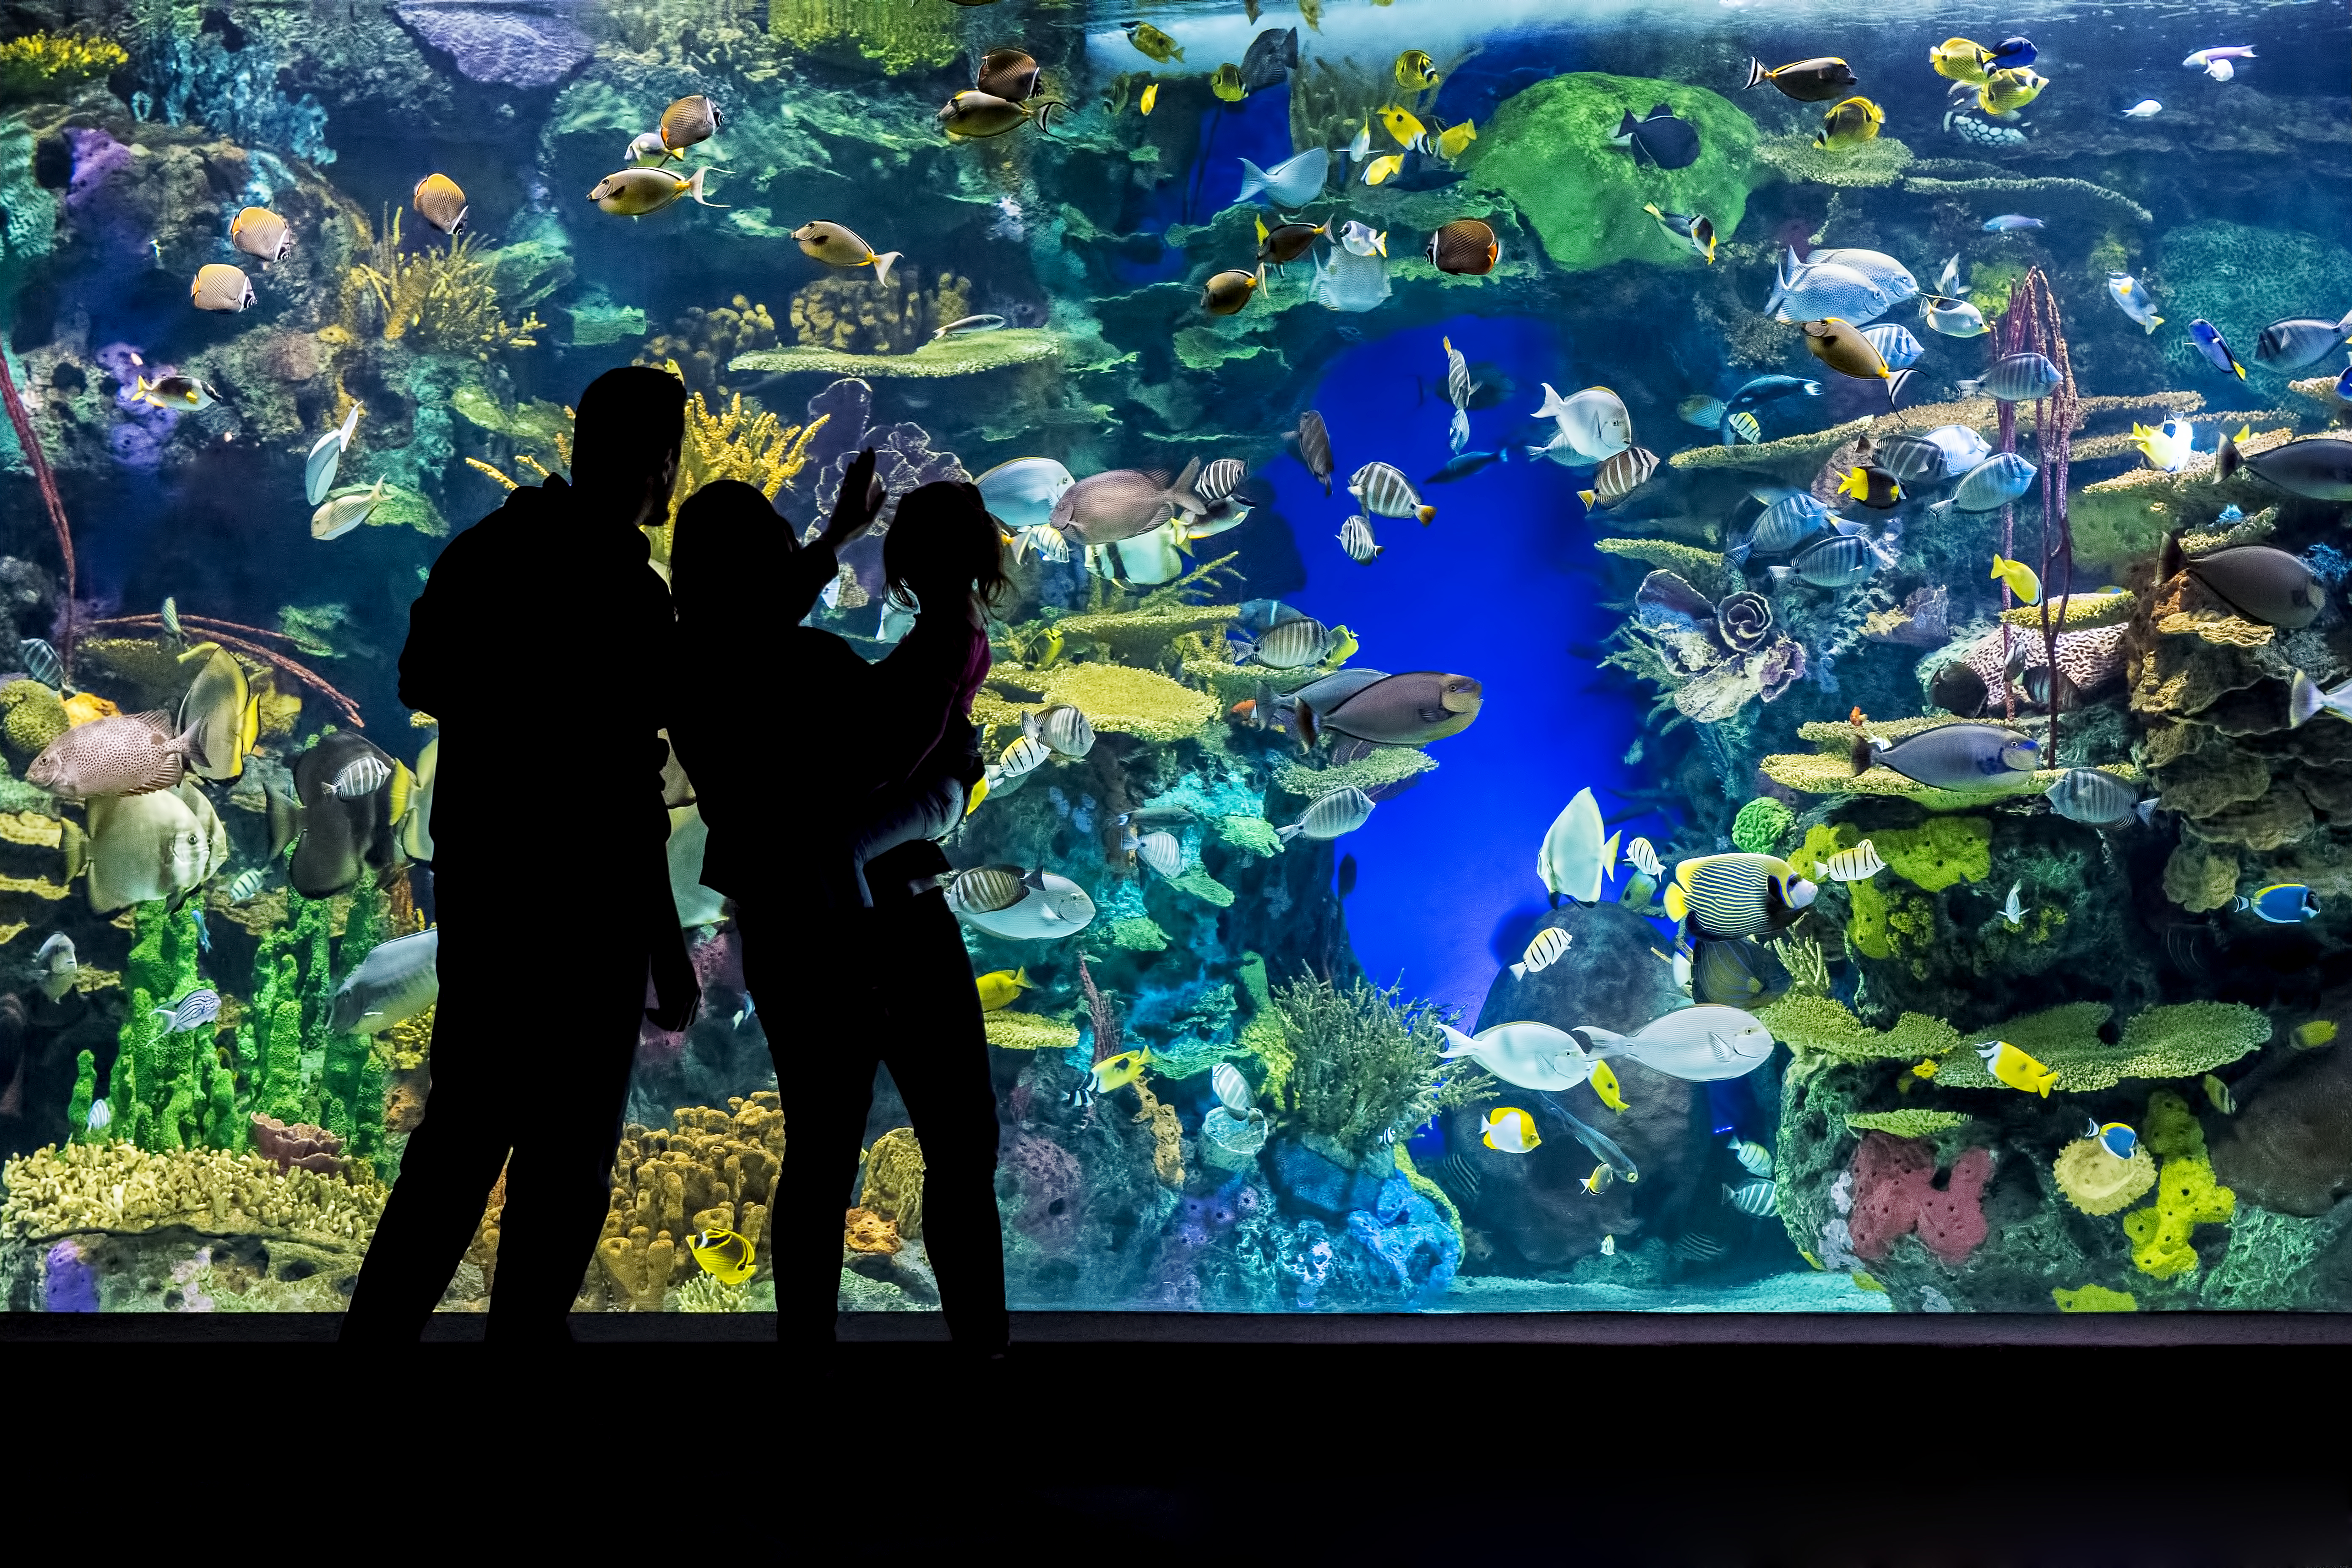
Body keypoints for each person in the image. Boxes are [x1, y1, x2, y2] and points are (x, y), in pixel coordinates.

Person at [341, 365, 700, 1342]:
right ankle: (522, 1363)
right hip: (587, 915)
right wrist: (668, 951)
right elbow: (632, 792)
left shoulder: (484, 552)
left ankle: (368, 1353)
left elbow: (421, 675)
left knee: (458, 1139)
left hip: (492, 895)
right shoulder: (632, 595)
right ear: (659, 463)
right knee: (568, 1151)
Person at [672, 476, 1007, 1355]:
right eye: (782, 545)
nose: (799, 557)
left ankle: (807, 1365)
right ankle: (983, 1353)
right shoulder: (800, 664)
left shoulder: (694, 677)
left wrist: (834, 539)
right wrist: (954, 782)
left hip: (787, 935)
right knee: (961, 1141)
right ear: (759, 569)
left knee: (821, 1155)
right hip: (890, 922)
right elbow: (888, 746)